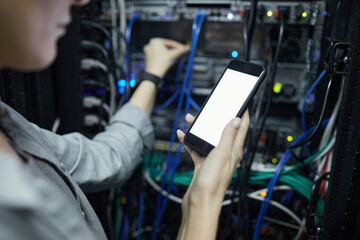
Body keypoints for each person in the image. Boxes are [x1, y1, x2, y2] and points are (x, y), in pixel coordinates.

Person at [0, 0, 250, 239]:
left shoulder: (10, 126)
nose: (81, 1)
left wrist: (151, 75)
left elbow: (106, 156)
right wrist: (207, 196)